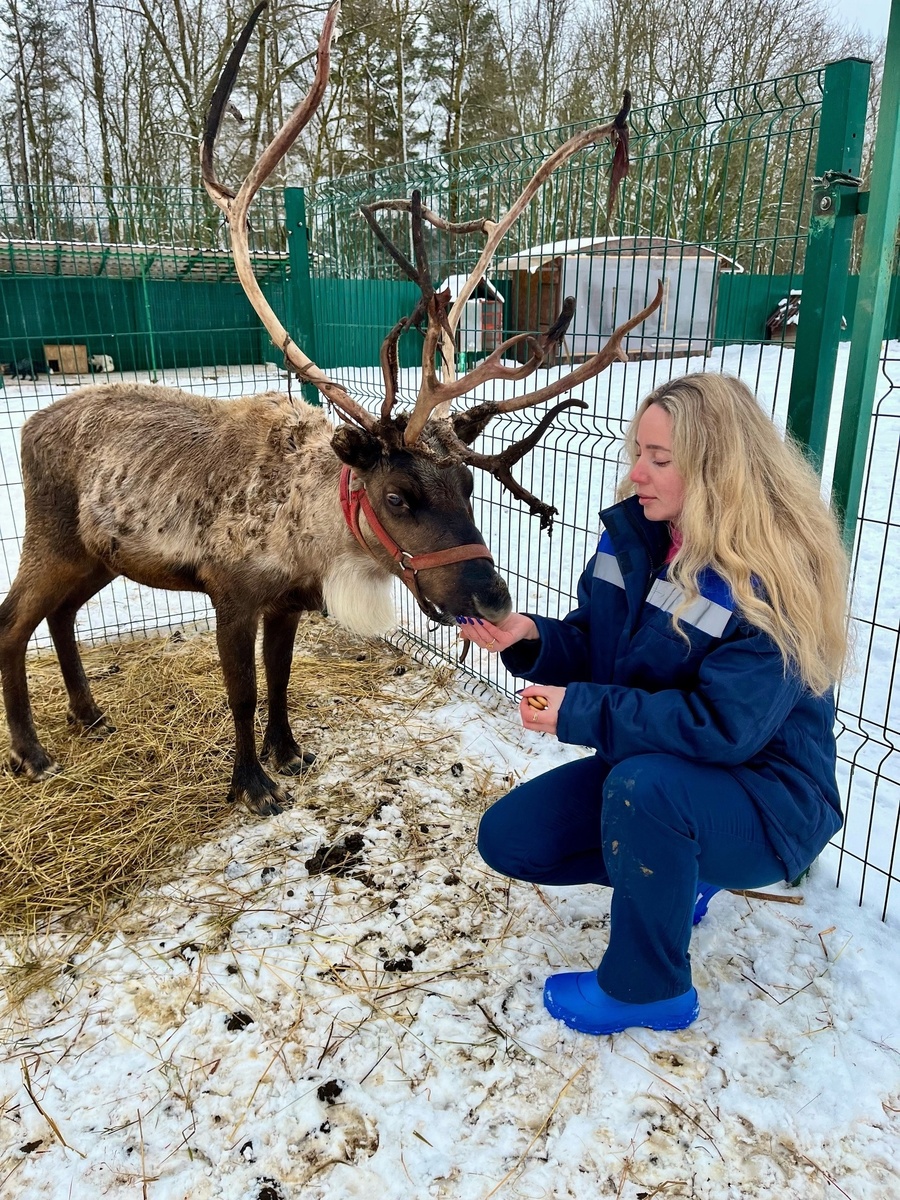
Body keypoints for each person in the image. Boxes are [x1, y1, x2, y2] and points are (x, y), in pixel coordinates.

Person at [457, 373, 850, 1036]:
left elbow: (725, 729)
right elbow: (602, 643)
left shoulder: (772, 574)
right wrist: (534, 639)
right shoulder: (641, 536)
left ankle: (649, 989)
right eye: (638, 451)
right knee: (511, 840)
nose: (637, 472)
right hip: (668, 772)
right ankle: (677, 870)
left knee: (646, 791)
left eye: (660, 460)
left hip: (768, 800)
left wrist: (582, 710)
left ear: (717, 468)